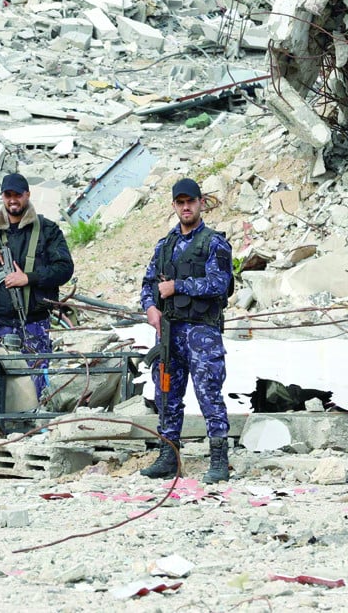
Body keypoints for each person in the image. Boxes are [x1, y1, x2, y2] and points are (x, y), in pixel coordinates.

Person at [139, 178, 234, 483]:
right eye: (180, 203)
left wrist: (178, 286)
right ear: (174, 206)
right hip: (168, 333)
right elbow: (148, 284)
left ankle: (219, 459)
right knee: (166, 393)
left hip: (201, 333)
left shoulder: (213, 243)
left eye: (190, 202)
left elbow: (220, 284)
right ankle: (169, 456)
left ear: (200, 203)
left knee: (208, 394)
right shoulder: (164, 245)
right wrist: (151, 308)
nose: (186, 207)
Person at [0, 173, 74, 398]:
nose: (13, 200)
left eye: (18, 195)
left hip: (34, 321)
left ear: (27, 195)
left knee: (37, 385)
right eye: (8, 195)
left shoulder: (47, 230)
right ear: (2, 197)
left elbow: (64, 268)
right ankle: (1, 428)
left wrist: (29, 278)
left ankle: (36, 426)